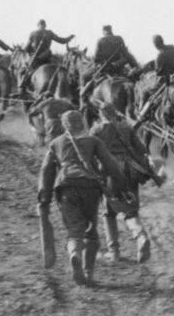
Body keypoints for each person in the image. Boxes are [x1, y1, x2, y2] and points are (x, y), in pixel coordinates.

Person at [38, 110, 126, 287]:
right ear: (83, 123)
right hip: (90, 188)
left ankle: (74, 254)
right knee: (91, 230)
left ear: (65, 125)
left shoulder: (55, 143)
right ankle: (88, 273)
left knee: (73, 230)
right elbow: (111, 165)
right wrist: (121, 188)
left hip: (66, 188)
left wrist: (44, 198)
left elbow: (46, 171)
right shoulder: (94, 141)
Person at [90, 103, 154, 263]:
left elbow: (90, 154)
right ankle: (141, 237)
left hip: (109, 173)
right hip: (130, 170)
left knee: (108, 212)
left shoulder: (96, 130)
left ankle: (114, 252)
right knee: (130, 210)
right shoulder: (126, 127)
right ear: (114, 113)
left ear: (101, 115)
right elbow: (141, 149)